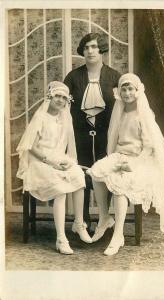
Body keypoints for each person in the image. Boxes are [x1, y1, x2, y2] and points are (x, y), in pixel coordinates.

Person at [87, 73, 164, 256]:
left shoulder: (144, 114)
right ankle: (104, 218)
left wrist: (132, 164)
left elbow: (149, 147)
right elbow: (115, 140)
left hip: (140, 160)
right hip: (120, 155)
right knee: (96, 172)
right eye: (123, 89)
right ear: (120, 93)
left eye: (130, 89)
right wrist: (115, 160)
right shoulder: (120, 112)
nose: (127, 93)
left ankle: (118, 235)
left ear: (137, 91)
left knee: (120, 185)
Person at [16, 81, 92, 255]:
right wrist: (50, 162)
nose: (60, 100)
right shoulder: (41, 117)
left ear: (67, 101)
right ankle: (61, 239)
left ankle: (79, 224)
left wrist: (68, 162)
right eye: (57, 96)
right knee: (61, 189)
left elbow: (68, 148)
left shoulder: (65, 117)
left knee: (78, 176)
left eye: (64, 98)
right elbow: (31, 147)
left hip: (58, 159)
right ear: (50, 97)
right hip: (39, 161)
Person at [64, 32, 121, 224]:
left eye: (94, 46)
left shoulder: (114, 77)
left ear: (102, 49)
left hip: (107, 136)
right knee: (82, 174)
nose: (90, 51)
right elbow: (62, 108)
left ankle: (105, 218)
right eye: (87, 47)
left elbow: (123, 109)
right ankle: (84, 219)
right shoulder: (73, 77)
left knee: (106, 174)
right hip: (80, 136)